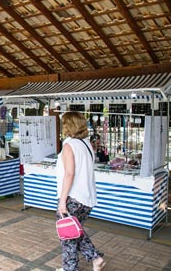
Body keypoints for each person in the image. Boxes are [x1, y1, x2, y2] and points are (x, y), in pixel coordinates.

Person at [56, 112, 105, 271]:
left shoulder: (69, 145)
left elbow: (70, 174)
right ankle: (95, 258)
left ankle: (70, 268)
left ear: (68, 125)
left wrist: (62, 201)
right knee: (76, 231)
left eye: (64, 123)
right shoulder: (86, 144)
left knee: (68, 236)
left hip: (73, 198)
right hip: (86, 198)